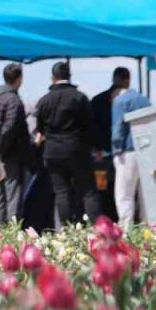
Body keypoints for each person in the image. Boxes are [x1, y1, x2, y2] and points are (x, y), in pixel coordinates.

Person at [35, 61, 103, 226]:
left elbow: (40, 129)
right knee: (88, 190)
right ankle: (97, 228)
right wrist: (97, 147)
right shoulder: (80, 98)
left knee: (61, 191)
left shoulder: (44, 100)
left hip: (53, 151)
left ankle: (67, 229)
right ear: (69, 76)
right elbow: (90, 126)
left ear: (53, 78)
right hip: (77, 149)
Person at [0, 62, 33, 225]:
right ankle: (12, 231)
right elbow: (10, 127)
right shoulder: (13, 99)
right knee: (13, 195)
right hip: (11, 154)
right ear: (19, 79)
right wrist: (0, 150)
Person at [110, 85, 152, 230]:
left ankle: (126, 228)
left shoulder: (119, 101)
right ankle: (148, 226)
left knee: (124, 193)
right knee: (145, 193)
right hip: (146, 150)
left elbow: (118, 128)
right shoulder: (145, 100)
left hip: (127, 151)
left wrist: (116, 150)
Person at [90, 67, 129, 220]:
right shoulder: (129, 100)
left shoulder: (97, 100)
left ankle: (104, 218)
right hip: (123, 153)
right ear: (127, 80)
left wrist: (95, 148)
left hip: (101, 154)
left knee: (102, 188)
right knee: (122, 188)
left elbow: (91, 127)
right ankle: (117, 218)